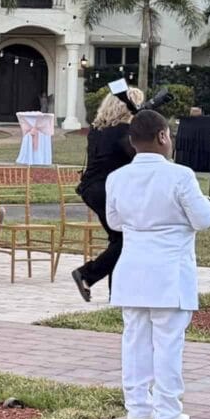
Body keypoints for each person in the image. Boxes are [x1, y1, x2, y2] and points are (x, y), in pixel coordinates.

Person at [107, 109, 210, 419]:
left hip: (131, 269)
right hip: (169, 272)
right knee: (168, 343)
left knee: (135, 341)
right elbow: (204, 219)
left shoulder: (117, 178)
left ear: (132, 141)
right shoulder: (180, 175)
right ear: (163, 136)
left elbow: (115, 222)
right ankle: (168, 412)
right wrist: (206, 203)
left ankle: (138, 408)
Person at [70, 87, 144, 302]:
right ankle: (87, 274)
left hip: (92, 188)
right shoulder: (124, 133)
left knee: (118, 238)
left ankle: (116, 293)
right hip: (107, 191)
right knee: (127, 239)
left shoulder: (96, 130)